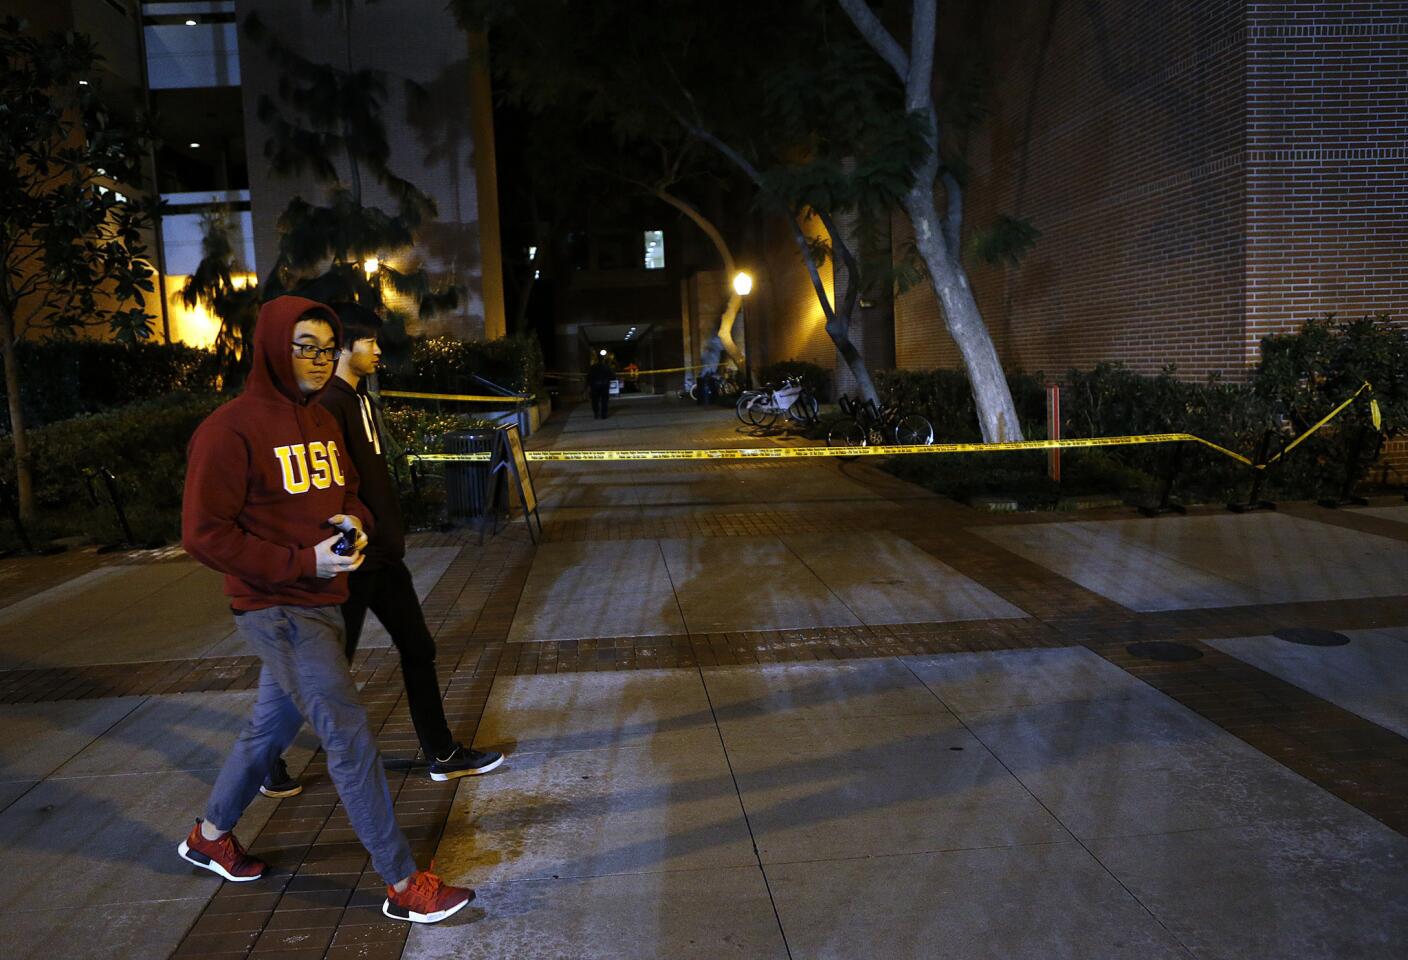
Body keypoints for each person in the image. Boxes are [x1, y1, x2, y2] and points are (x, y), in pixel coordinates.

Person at [176, 294, 473, 925]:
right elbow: (205, 534)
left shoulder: (320, 420)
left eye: (323, 348)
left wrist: (356, 526)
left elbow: (348, 494)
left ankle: (208, 836)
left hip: (323, 600)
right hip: (277, 608)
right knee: (348, 733)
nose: (315, 360)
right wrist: (301, 563)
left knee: (268, 730)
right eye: (302, 347)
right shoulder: (227, 429)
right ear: (272, 349)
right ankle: (403, 884)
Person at [261, 301, 502, 798]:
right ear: (347, 348)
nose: (378, 353)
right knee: (324, 666)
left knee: (418, 648)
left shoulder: (361, 399)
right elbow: (331, 489)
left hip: (383, 557)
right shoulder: (328, 405)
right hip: (354, 561)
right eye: (371, 344)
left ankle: (441, 753)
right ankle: (266, 761)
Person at [586, 352, 613, 419]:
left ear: (597, 359)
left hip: (594, 386)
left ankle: (596, 413)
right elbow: (612, 376)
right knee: (604, 401)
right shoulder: (607, 367)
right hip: (604, 385)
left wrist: (589, 385)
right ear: (603, 359)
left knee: (595, 400)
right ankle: (603, 415)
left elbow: (589, 377)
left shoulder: (593, 367)